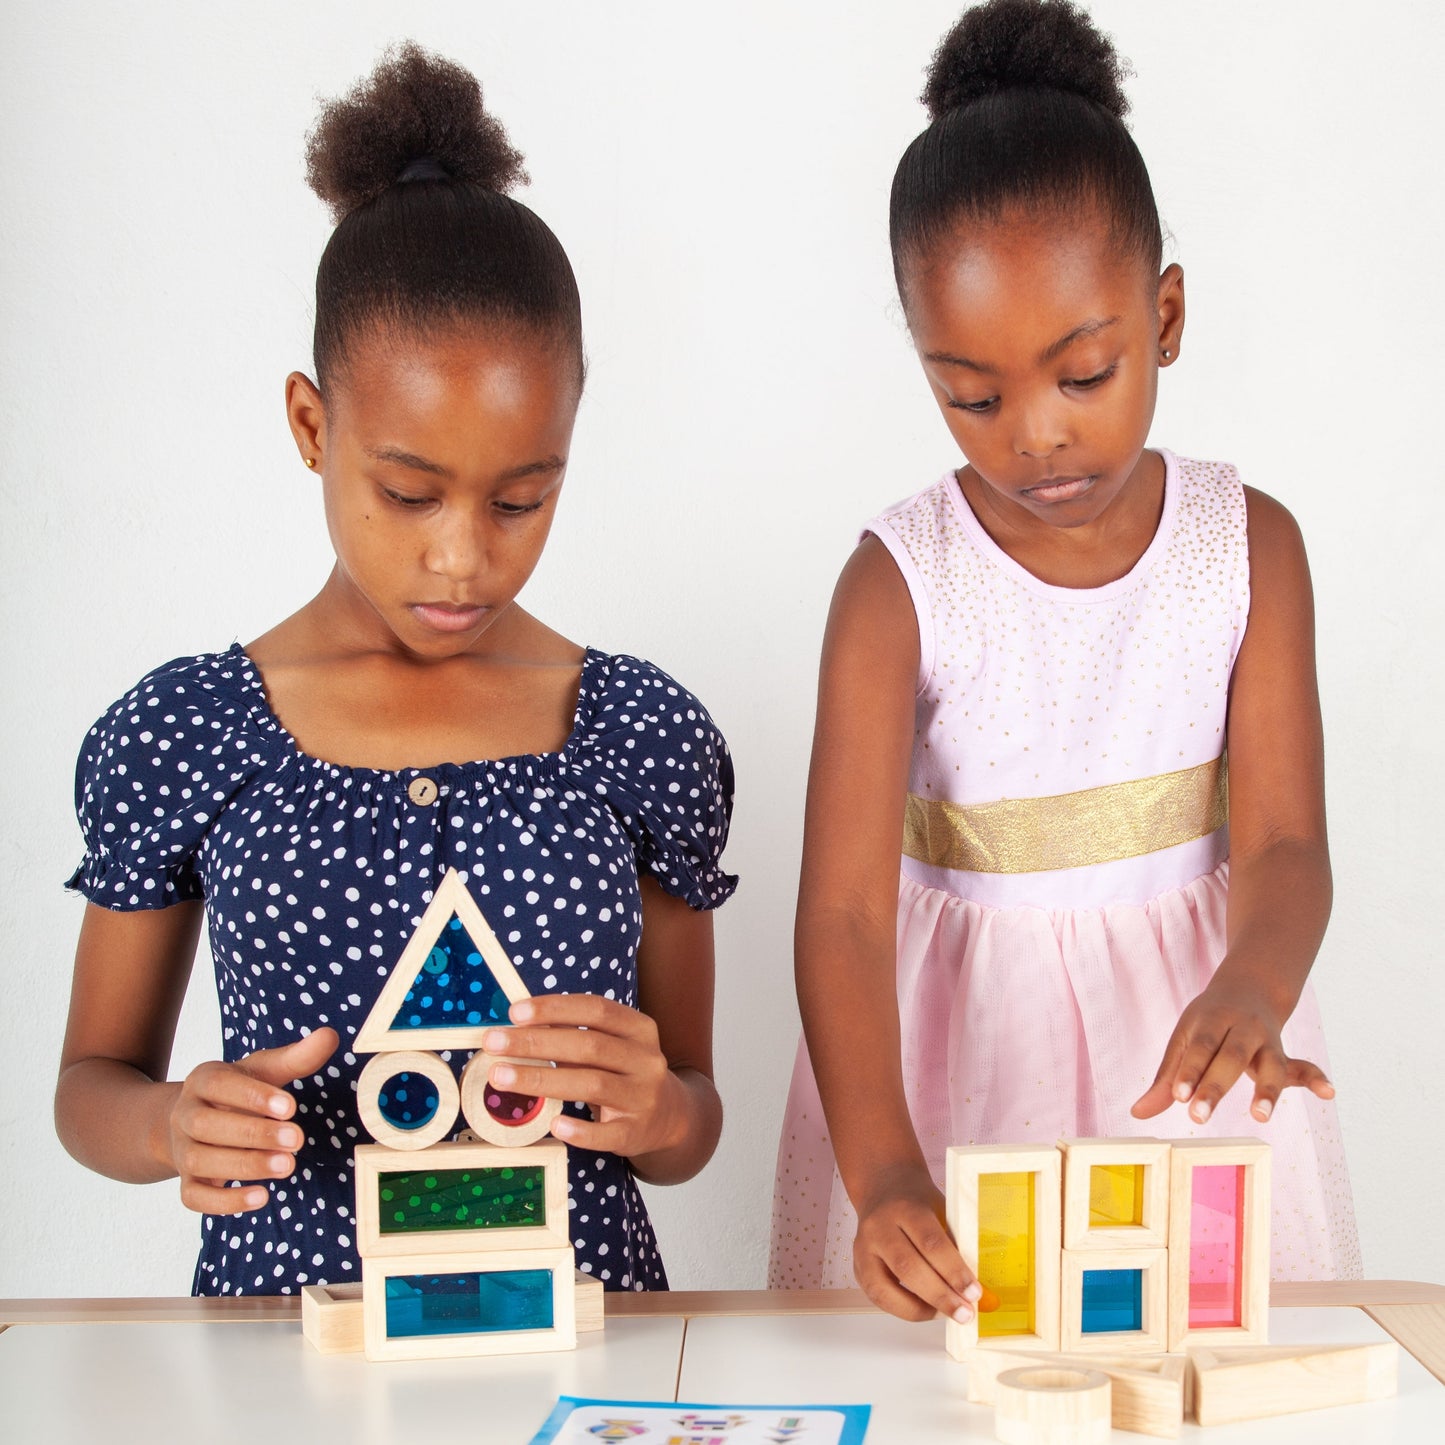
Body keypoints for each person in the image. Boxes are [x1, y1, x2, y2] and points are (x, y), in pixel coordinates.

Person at [55, 44, 735, 1297]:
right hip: (284, 1359)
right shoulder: (185, 733)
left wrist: (664, 1111)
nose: (462, 557)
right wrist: (167, 1126)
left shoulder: (640, 732)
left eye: (523, 498)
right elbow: (90, 1082)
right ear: (313, 427)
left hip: (574, 1347)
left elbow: (688, 1116)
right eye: (407, 491)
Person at [769, 0, 1359, 1320]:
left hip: (1192, 1051)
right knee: (970, 1368)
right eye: (971, 396)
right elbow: (846, 916)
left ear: (1164, 316)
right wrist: (883, 1170)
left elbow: (1283, 847)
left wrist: (1256, 981)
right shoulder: (894, 584)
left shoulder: (1249, 546)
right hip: (953, 1065)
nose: (1034, 434)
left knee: (1194, 1342)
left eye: (1080, 373)